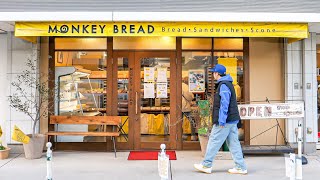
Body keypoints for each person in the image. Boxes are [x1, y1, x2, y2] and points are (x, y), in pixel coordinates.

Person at [194, 64, 247, 174]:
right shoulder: (228, 83)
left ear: (216, 73)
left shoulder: (223, 85)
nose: (213, 74)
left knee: (213, 141)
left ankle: (206, 165)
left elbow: (224, 104)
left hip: (225, 121)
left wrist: (221, 120)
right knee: (234, 144)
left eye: (213, 72)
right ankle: (240, 167)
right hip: (232, 120)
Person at [182, 77, 197, 141]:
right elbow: (190, 96)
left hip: (178, 106)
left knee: (180, 122)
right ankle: (193, 136)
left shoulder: (178, 85)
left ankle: (181, 135)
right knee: (192, 120)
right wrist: (192, 98)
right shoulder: (185, 86)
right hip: (184, 106)